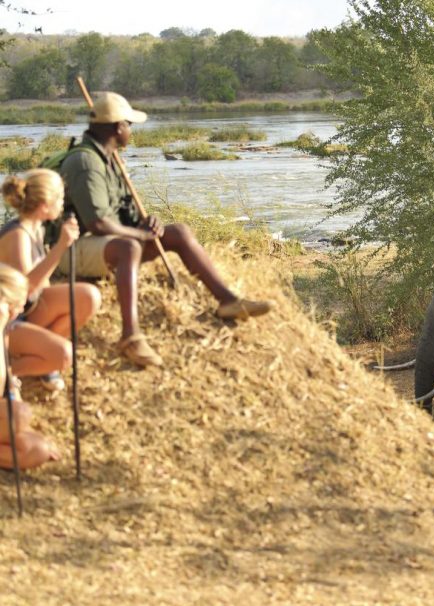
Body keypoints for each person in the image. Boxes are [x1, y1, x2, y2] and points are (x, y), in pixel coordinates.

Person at [58, 92, 272, 368]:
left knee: (178, 232)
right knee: (129, 247)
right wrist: (139, 235)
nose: (131, 131)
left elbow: (126, 215)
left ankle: (228, 301)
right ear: (117, 128)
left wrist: (148, 224)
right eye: (129, 125)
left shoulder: (111, 160)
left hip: (107, 243)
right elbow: (96, 224)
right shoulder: (86, 162)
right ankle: (130, 337)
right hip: (72, 247)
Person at [0, 169, 102, 391]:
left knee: (88, 297)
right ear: (45, 204)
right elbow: (25, 290)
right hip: (8, 320)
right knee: (65, 355)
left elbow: (40, 288)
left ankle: (42, 358)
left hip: (27, 311)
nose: (63, 203)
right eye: (60, 197)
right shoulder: (18, 236)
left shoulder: (36, 227)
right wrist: (61, 247)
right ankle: (10, 372)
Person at [0, 263, 60, 469]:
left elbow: (8, 385)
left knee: (37, 449)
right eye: (16, 305)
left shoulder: (3, 334)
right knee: (18, 414)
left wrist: (21, 428)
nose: (18, 311)